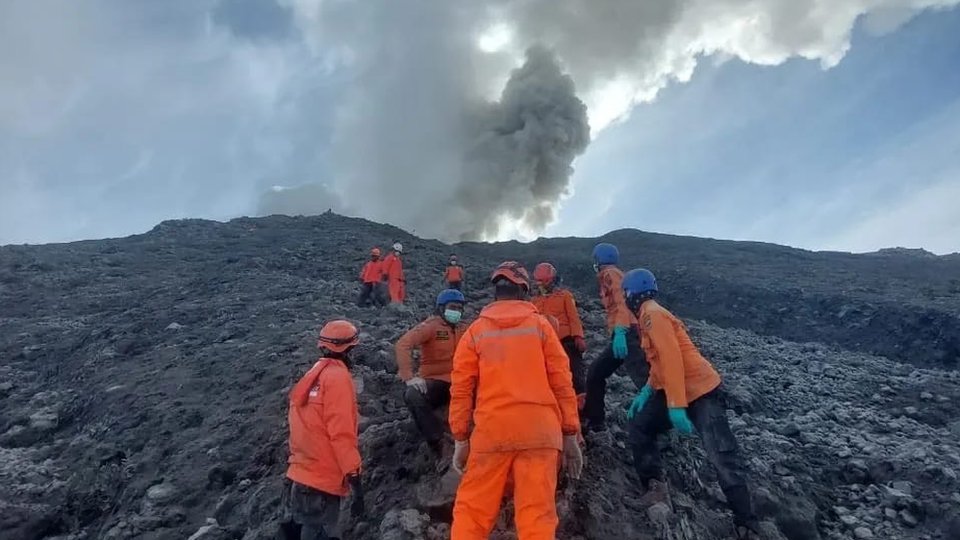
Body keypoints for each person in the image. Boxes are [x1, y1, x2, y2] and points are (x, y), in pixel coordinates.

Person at [449, 261, 584, 540]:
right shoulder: (542, 328)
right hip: (540, 432)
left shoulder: (475, 332)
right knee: (537, 517)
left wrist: (461, 439)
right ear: (524, 290)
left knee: (471, 514)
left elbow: (461, 389)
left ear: (495, 292)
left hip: (492, 432)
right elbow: (562, 381)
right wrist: (571, 434)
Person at [621, 268, 759, 538]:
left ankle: (747, 521)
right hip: (679, 389)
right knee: (640, 426)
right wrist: (647, 392)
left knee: (721, 455)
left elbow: (672, 359)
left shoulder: (652, 315)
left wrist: (675, 404)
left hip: (701, 391)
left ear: (631, 294)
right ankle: (655, 489)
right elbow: (660, 364)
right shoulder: (650, 314)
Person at [286, 320, 365, 540]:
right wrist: (354, 477)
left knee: (309, 530)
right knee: (324, 533)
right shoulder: (338, 379)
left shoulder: (313, 375)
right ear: (349, 349)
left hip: (301, 475)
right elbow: (341, 435)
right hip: (323, 481)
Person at [395, 289, 467, 460]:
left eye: (459, 308)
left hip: (462, 383)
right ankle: (438, 443)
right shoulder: (431, 327)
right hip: (438, 382)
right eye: (452, 307)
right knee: (413, 395)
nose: (455, 311)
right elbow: (403, 344)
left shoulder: (465, 328)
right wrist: (409, 377)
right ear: (441, 308)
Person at [583, 243, 647, 432]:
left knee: (644, 380)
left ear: (598, 260)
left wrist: (620, 331)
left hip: (628, 334)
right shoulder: (608, 275)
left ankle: (659, 422)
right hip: (623, 335)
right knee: (595, 373)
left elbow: (622, 303)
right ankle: (595, 421)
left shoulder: (611, 274)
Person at [531, 262, 588, 408]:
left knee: (575, 375)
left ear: (553, 279)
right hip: (544, 345)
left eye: (546, 281)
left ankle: (582, 409)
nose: (542, 285)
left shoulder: (565, 296)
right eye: (540, 281)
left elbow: (573, 317)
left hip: (566, 341)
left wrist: (578, 336)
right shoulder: (535, 302)